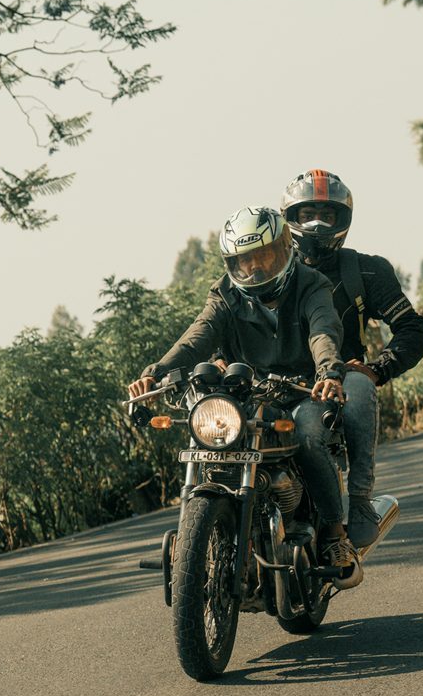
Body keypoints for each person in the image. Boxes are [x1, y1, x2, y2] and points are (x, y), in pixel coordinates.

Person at [128, 206, 362, 589]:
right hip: (247, 393)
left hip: (302, 388)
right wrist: (154, 373)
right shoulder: (225, 294)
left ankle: (335, 534)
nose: (254, 267)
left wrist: (328, 373)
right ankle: (198, 540)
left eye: (263, 255)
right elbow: (197, 336)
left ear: (285, 248)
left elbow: (324, 330)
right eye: (244, 259)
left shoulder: (311, 284)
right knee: (207, 435)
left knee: (306, 432)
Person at [280, 169, 423, 546]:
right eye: (306, 214)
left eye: (327, 215)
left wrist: (379, 368)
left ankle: (360, 500)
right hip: (275, 383)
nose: (316, 223)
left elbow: (413, 327)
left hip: (339, 382)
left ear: (342, 221)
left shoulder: (365, 269)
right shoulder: (270, 272)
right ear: (290, 220)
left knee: (360, 384)